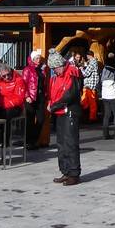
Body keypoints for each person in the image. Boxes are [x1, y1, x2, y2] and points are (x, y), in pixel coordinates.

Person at [47, 51, 82, 186]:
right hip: (60, 112)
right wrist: (51, 103)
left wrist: (54, 106)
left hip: (69, 112)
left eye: (55, 68)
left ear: (60, 65)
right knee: (61, 143)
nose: (54, 71)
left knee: (70, 143)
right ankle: (66, 171)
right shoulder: (56, 77)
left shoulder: (72, 73)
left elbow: (70, 95)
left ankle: (74, 173)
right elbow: (53, 92)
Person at [23, 50, 47, 148]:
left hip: (40, 97)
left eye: (39, 58)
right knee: (30, 120)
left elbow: (44, 83)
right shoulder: (27, 69)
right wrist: (26, 96)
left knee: (41, 119)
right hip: (31, 97)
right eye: (37, 58)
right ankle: (29, 142)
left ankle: (34, 140)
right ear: (32, 59)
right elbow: (24, 84)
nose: (38, 60)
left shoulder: (41, 69)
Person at [100, 54, 115, 141]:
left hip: (105, 95)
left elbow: (100, 81)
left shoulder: (103, 71)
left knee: (106, 115)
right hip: (114, 95)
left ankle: (105, 134)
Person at [76, 52, 99, 123]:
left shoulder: (92, 63)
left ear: (89, 56)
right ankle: (88, 117)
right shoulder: (94, 62)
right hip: (90, 85)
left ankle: (92, 118)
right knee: (86, 102)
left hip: (89, 85)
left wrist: (81, 69)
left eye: (87, 56)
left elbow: (86, 73)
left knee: (90, 102)